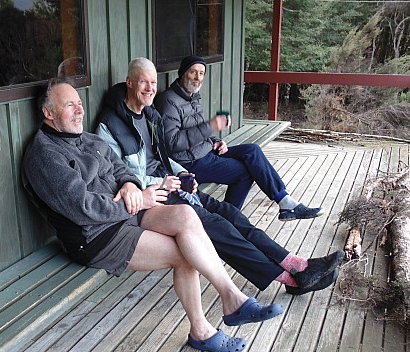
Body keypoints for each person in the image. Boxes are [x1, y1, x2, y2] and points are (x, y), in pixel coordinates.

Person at [22, 77, 286, 352]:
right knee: (185, 254)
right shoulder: (45, 155)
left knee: (185, 214)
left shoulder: (86, 139)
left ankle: (232, 298)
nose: (79, 110)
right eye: (69, 105)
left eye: (79, 103)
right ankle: (203, 330)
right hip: (96, 235)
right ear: (48, 113)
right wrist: (137, 200)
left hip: (126, 213)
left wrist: (129, 185)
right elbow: (83, 209)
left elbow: (120, 167)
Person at [95, 57, 343, 297]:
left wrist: (180, 172)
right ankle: (292, 278)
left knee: (232, 214)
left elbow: (162, 154)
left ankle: (297, 263)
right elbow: (120, 175)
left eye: (153, 82)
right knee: (222, 227)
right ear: (129, 82)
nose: (150, 89)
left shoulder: (149, 116)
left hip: (174, 183)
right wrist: (163, 182)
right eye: (143, 83)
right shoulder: (111, 124)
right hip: (153, 198)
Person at [154, 55, 324, 220]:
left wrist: (216, 141)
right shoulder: (169, 101)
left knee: (252, 150)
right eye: (193, 72)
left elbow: (198, 131)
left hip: (206, 151)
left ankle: (285, 201)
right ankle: (229, 220)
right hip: (189, 163)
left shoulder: (192, 98)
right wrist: (211, 126)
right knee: (244, 173)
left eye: (201, 73)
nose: (198, 77)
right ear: (183, 73)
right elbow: (173, 143)